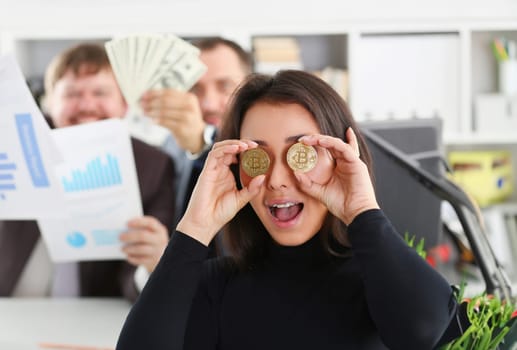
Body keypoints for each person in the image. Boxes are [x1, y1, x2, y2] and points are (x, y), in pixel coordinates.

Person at [116, 70, 463, 349]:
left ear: (342, 158)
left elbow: (423, 333)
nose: (277, 179)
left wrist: (362, 209)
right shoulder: (218, 284)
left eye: (302, 153)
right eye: (258, 157)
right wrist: (194, 227)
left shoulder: (381, 279)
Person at [0, 43, 176, 301]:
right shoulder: (16, 146)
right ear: (48, 103)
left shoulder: (153, 166)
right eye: (72, 94)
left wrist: (153, 263)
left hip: (99, 315)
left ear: (124, 105)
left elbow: (138, 284)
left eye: (100, 92)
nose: (86, 105)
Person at [139, 37, 252, 224]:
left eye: (224, 86)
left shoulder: (264, 149)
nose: (209, 104)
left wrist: (202, 146)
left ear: (251, 87)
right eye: (195, 89)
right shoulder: (171, 143)